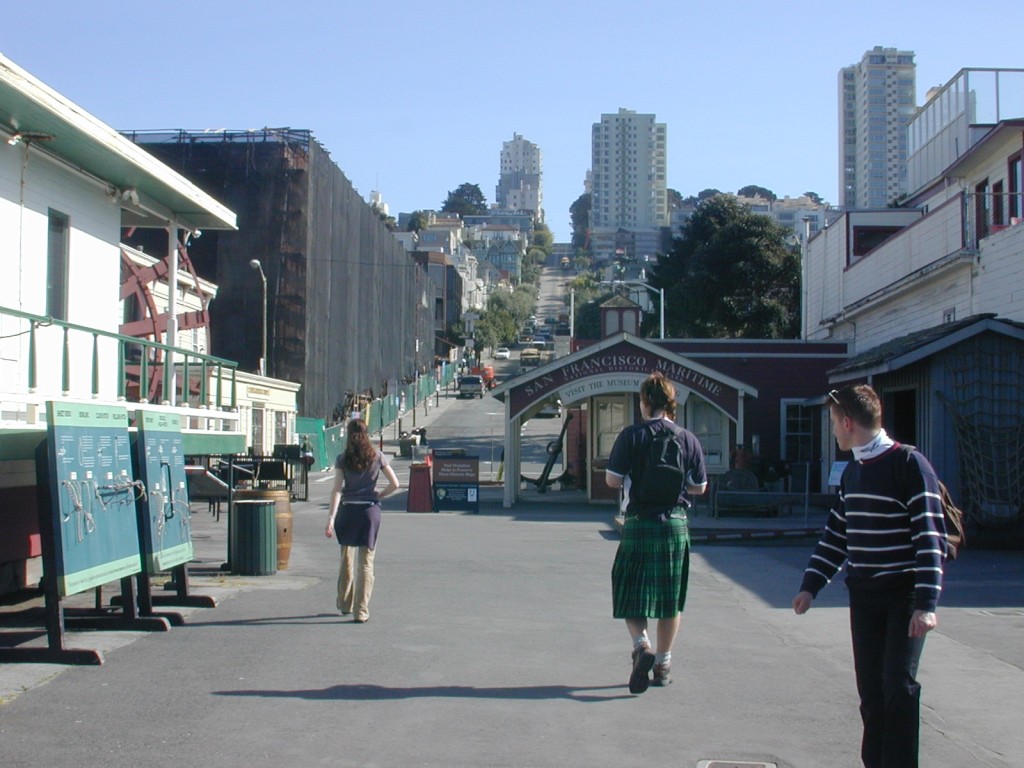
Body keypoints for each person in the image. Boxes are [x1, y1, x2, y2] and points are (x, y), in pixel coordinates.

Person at [792, 384, 946, 768]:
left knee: (898, 685)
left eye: (832, 423)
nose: (832, 431)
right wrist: (810, 586)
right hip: (864, 595)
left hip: (903, 594)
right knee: (871, 693)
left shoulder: (909, 465)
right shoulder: (854, 472)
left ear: (847, 422)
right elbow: (837, 536)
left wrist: (926, 605)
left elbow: (930, 538)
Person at [605, 371, 708, 694]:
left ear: (644, 402)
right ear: (671, 403)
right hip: (675, 523)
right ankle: (663, 664)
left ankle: (641, 645)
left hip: (638, 522)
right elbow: (699, 487)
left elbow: (611, 480)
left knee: (629, 588)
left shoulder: (631, 435)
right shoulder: (687, 438)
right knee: (670, 598)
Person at [325, 418, 400, 623]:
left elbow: (337, 489)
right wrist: (379, 495)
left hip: (348, 512)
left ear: (348, 436)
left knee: (346, 560)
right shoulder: (377, 456)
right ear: (367, 434)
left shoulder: (342, 459)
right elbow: (395, 483)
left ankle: (345, 602)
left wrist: (330, 518)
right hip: (369, 511)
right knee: (366, 563)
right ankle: (361, 610)